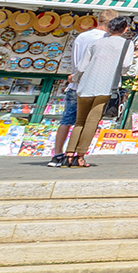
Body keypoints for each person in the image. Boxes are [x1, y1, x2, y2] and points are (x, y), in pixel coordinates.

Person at [64, 17, 134, 167]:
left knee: (80, 121)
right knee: (92, 121)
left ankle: (68, 154)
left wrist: (73, 78)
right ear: (125, 29)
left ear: (109, 28)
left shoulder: (95, 43)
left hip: (85, 85)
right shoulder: (127, 44)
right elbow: (126, 65)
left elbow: (81, 67)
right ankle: (80, 155)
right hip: (106, 86)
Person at [47, 20, 107, 167]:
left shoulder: (81, 37)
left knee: (67, 120)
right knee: (86, 122)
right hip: (92, 86)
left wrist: (74, 76)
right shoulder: (105, 39)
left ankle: (58, 154)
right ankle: (77, 156)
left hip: (75, 84)